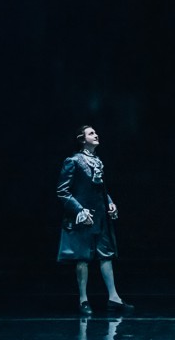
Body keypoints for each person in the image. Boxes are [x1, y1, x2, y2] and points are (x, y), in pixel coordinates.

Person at [57, 125, 135, 315]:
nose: (96, 134)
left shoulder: (98, 161)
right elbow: (63, 191)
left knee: (106, 255)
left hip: (100, 216)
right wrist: (79, 210)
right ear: (82, 139)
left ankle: (114, 298)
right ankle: (83, 299)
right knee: (82, 257)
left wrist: (110, 203)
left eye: (95, 132)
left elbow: (101, 190)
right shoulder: (73, 161)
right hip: (83, 216)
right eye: (91, 133)